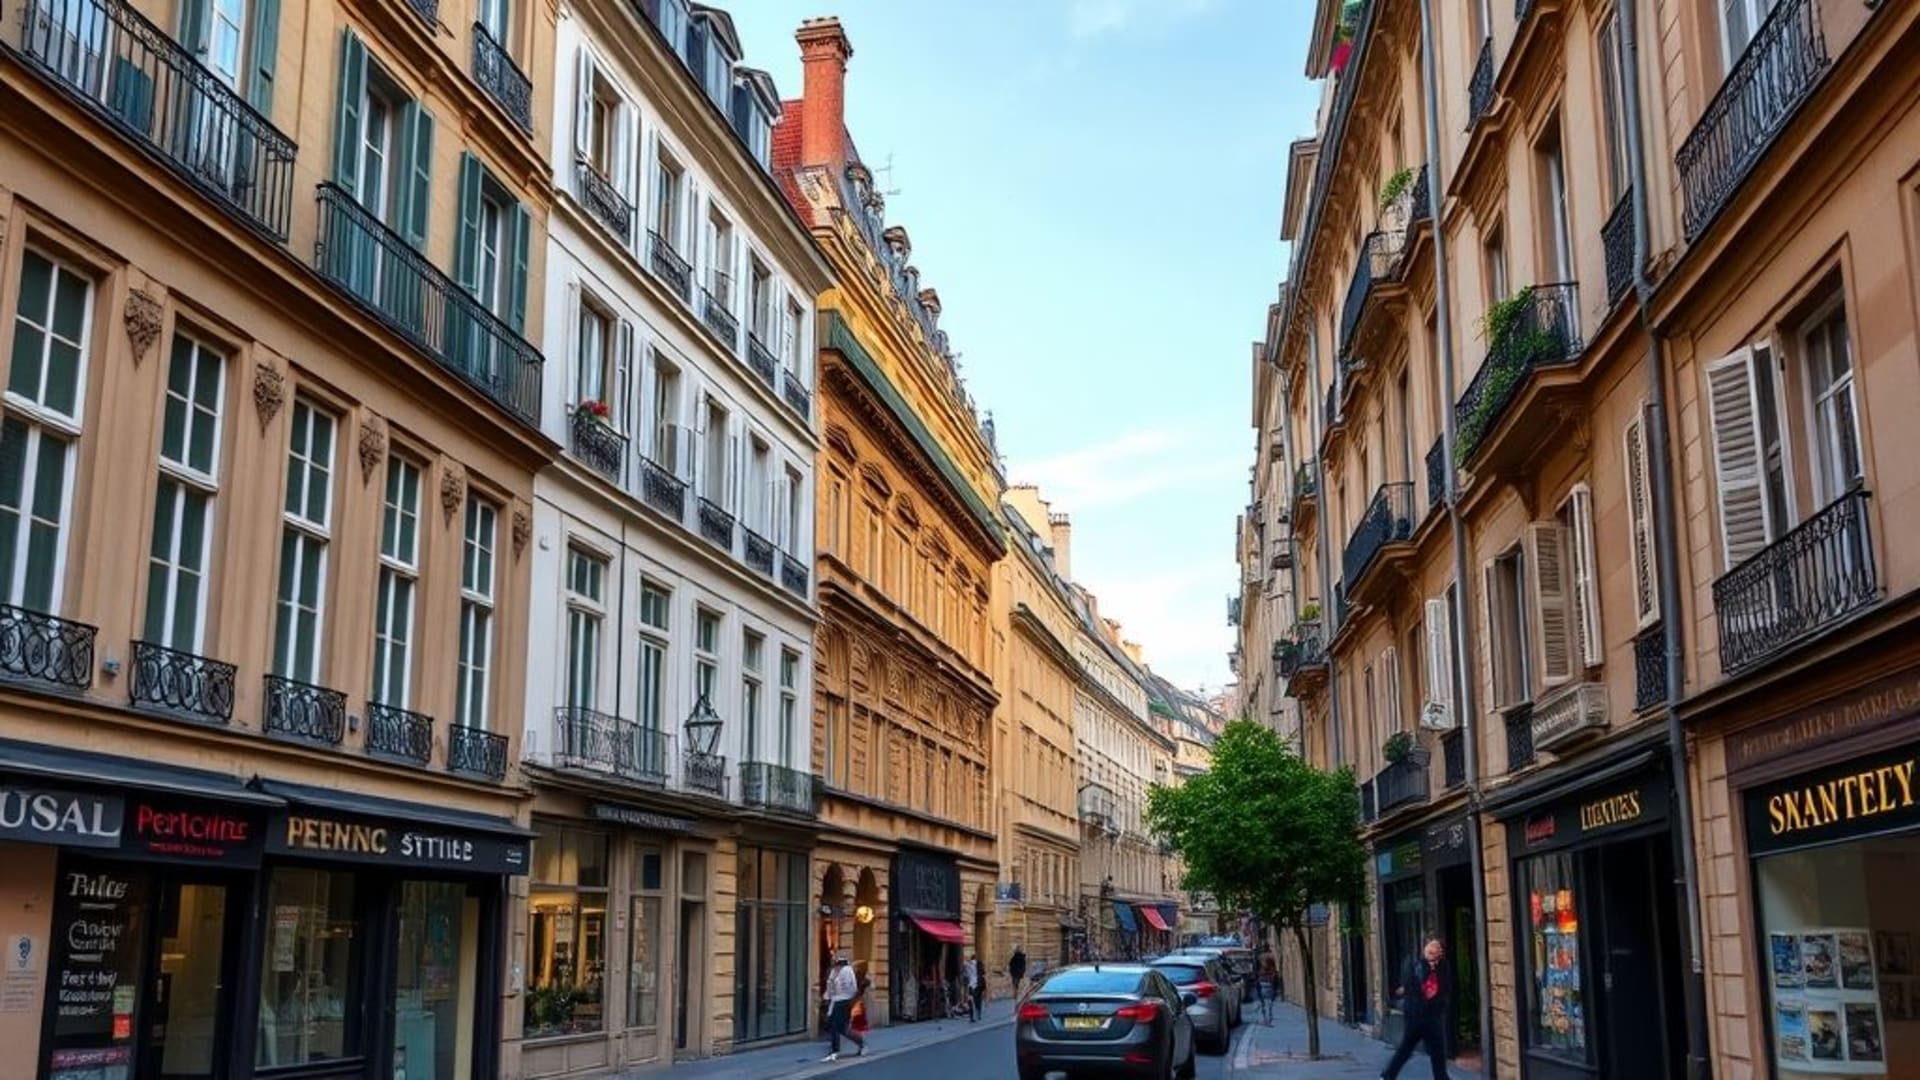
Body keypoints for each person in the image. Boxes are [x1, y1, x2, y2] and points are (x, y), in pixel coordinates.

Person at [1382, 936, 1452, 1080]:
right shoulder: (1416, 965)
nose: (1433, 949)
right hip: (1415, 1014)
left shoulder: (1443, 967)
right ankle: (1388, 1075)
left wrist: (1442, 1006)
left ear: (1441, 952)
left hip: (1433, 1015)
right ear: (1424, 949)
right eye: (1430, 947)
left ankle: (1441, 1077)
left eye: (1437, 947)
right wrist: (1429, 969)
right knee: (1406, 1048)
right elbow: (1410, 985)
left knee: (1438, 1049)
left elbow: (1446, 987)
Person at [821, 954, 867, 1062]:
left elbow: (852, 987)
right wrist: (826, 997)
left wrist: (847, 1000)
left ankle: (834, 1051)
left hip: (843, 1001)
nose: (835, 964)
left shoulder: (847, 971)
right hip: (835, 1001)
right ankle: (861, 1043)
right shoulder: (833, 972)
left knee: (835, 1027)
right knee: (842, 1029)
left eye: (837, 962)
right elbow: (830, 986)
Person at [1256, 953, 1279, 1025]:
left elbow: (1256, 971)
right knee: (1269, 1004)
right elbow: (1274, 972)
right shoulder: (1271, 958)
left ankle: (1266, 1019)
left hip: (1263, 983)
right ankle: (1268, 1019)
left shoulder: (1260, 957)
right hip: (1269, 983)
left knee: (1264, 1004)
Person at [962, 953, 982, 1021]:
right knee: (978, 1000)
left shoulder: (969, 964)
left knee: (970, 1001)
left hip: (971, 985)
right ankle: (978, 1014)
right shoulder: (979, 964)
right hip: (978, 984)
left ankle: (972, 1017)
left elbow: (964, 964)